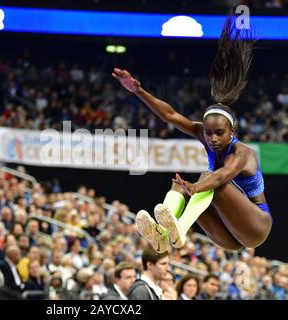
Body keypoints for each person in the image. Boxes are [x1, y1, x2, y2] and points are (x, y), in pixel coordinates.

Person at [112, 15, 272, 253]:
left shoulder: (242, 153)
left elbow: (220, 177)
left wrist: (195, 188)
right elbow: (170, 116)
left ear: (232, 131)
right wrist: (139, 91)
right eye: (208, 133)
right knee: (179, 186)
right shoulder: (204, 134)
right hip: (230, 236)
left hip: (255, 225)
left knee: (208, 179)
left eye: (219, 133)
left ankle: (178, 229)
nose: (212, 139)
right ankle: (163, 234)